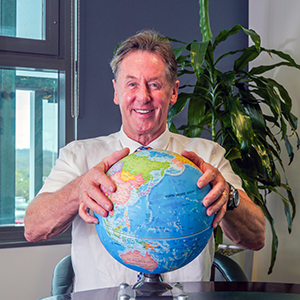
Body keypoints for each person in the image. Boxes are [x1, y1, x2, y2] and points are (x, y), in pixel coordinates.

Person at [24, 30, 265, 292]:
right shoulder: (78, 156)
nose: (143, 97)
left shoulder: (207, 158)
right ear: (116, 92)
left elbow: (256, 237)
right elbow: (33, 228)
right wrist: (78, 189)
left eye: (154, 84)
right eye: (131, 84)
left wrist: (228, 196)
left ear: (173, 93)